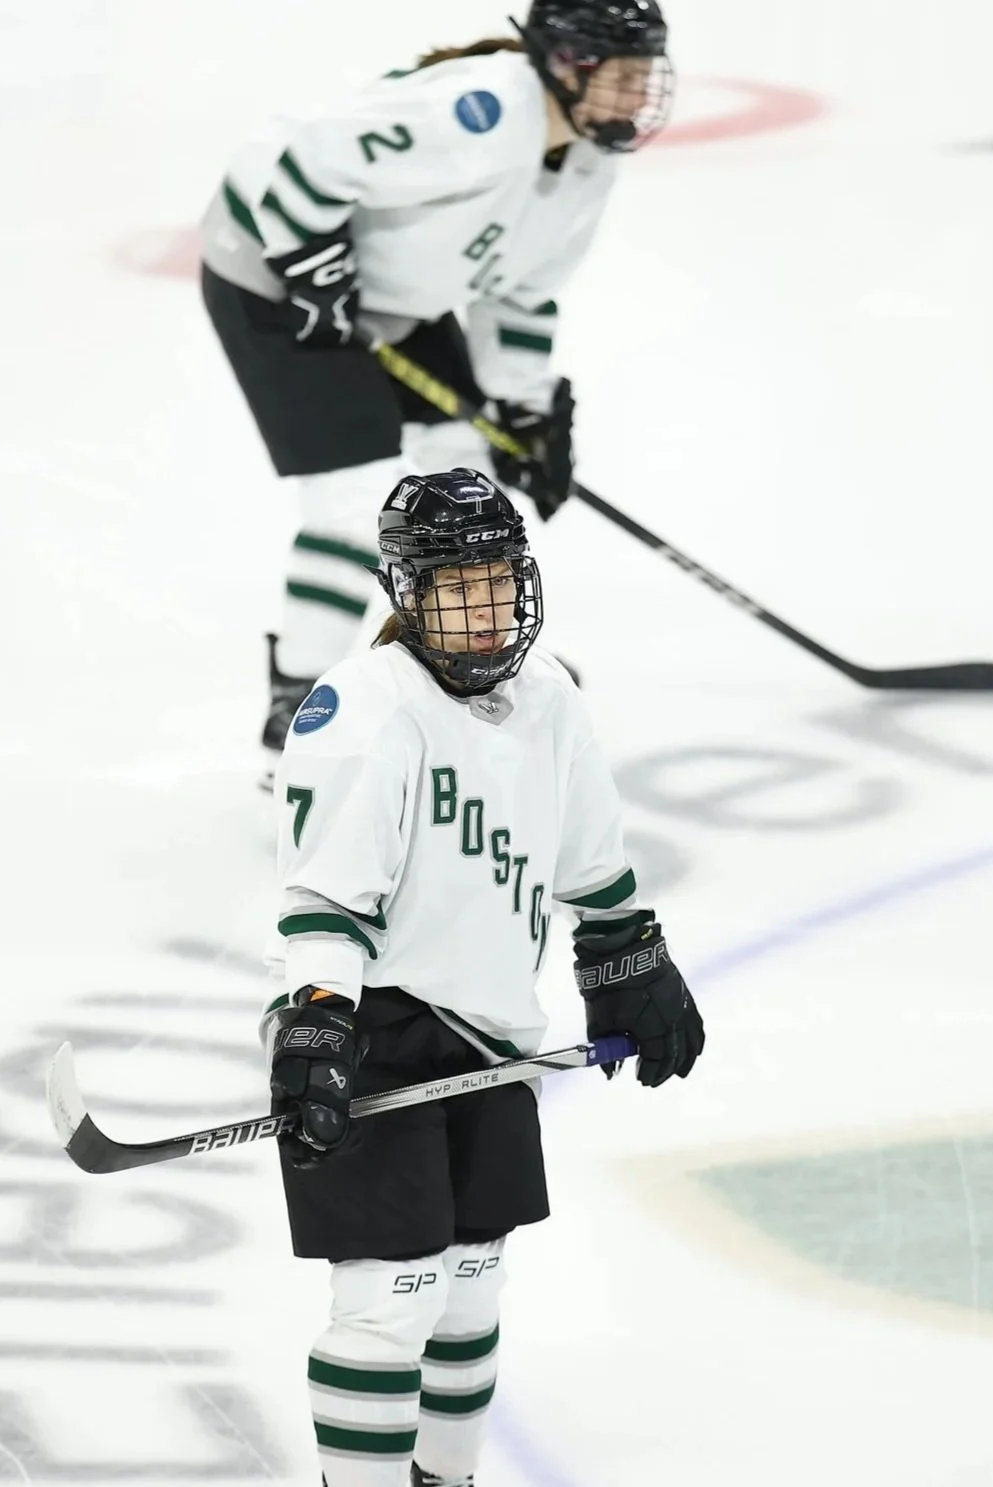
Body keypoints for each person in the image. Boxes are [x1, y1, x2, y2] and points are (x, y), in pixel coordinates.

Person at [263, 467, 704, 1487]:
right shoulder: (366, 710)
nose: (482, 608)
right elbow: (325, 899)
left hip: (492, 1034)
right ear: (406, 593)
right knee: (391, 1300)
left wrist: (628, 959)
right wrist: (319, 1023)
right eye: (455, 586)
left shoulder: (550, 700)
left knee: (467, 1289)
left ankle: (443, 1478)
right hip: (378, 1023)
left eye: (497, 580)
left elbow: (592, 860)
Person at [199, 1, 674, 762]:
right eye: (621, 76)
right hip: (272, 277)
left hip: (389, 295)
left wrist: (522, 409)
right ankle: (296, 706)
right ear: (562, 67)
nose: (638, 96)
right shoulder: (480, 113)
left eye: (645, 74)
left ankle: (455, 666)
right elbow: (306, 166)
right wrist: (315, 267)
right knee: (354, 505)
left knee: (468, 481)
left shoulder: (589, 159)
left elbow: (520, 292)